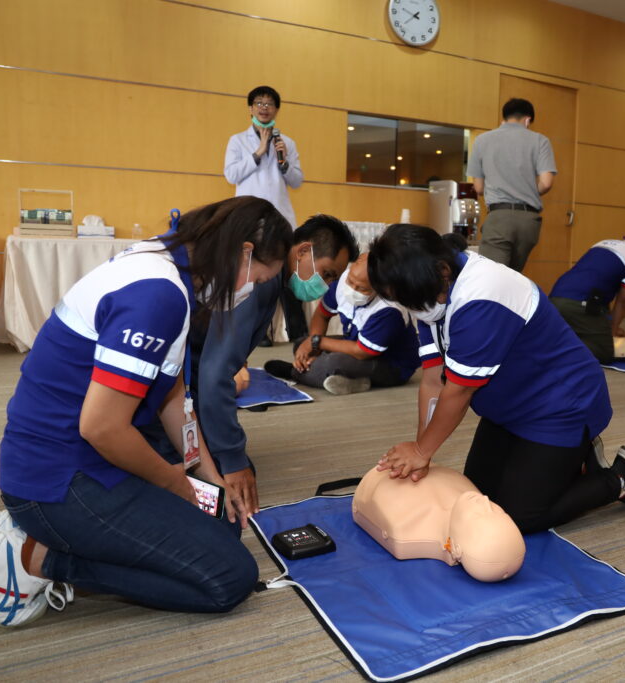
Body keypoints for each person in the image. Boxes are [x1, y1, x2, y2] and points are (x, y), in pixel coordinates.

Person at [0, 196, 291, 627]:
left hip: (84, 460)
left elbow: (174, 395)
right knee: (228, 578)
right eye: (258, 279)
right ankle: (36, 560)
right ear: (243, 253)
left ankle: (64, 540)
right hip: (58, 479)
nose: (252, 290)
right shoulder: (158, 295)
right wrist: (174, 482)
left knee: (222, 519)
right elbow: (102, 427)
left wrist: (208, 476)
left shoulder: (168, 266)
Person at [367, 225, 625, 535]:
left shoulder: (482, 295)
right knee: (479, 498)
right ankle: (572, 461)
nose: (414, 309)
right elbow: (434, 380)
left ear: (442, 271)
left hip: (560, 405)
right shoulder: (427, 289)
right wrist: (422, 451)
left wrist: (421, 452)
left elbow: (458, 392)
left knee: (518, 518)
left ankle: (620, 479)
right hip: (507, 409)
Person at [143, 214, 357, 517]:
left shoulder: (270, 279)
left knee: (225, 472)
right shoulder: (262, 279)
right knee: (225, 491)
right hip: (165, 388)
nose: (327, 285)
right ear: (303, 251)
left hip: (179, 382)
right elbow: (215, 374)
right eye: (328, 274)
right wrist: (232, 460)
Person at [264, 253, 420, 395]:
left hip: (391, 365)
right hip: (355, 344)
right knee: (301, 344)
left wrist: (317, 342)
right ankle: (356, 381)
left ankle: (294, 372)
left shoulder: (389, 310)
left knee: (333, 362)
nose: (352, 289)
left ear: (380, 288)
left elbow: (362, 351)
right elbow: (322, 315)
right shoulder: (342, 282)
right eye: (351, 281)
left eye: (362, 288)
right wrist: (314, 346)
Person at [352, 466, 526, 582]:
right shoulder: (469, 492)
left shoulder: (406, 524)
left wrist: (420, 451)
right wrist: (420, 451)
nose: (485, 502)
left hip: (381, 476)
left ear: (456, 549)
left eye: (480, 515)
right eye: (498, 511)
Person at [466, 98, 556, 271]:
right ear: (527, 120)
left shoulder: (482, 140)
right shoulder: (540, 141)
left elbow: (478, 188)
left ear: (504, 117)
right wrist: (525, 191)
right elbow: (546, 183)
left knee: (491, 275)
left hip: (499, 218)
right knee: (513, 276)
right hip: (529, 221)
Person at [548, 238, 625, 362]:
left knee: (579, 331)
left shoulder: (602, 244)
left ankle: (551, 343)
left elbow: (600, 295)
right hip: (581, 304)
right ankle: (556, 351)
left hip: (555, 298)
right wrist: (612, 331)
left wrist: (606, 329)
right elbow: (623, 299)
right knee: (604, 351)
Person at [224, 85, 303, 231]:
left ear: (276, 110)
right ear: (251, 108)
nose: (264, 108)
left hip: (279, 215)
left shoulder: (287, 143)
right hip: (248, 215)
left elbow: (297, 182)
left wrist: (284, 163)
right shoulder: (237, 140)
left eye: (269, 104)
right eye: (259, 103)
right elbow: (231, 176)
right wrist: (257, 154)